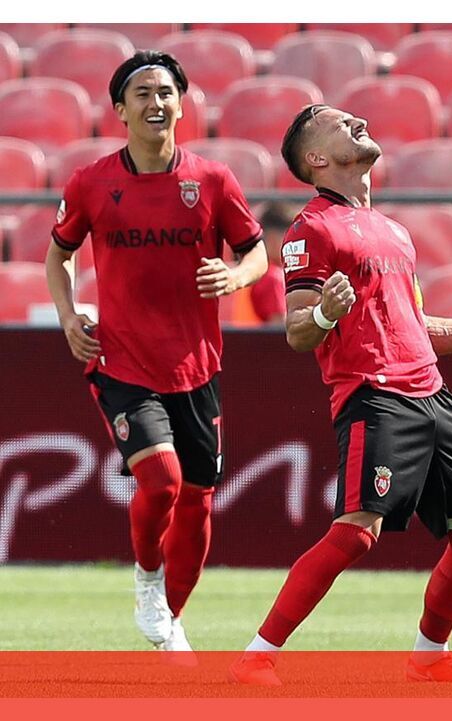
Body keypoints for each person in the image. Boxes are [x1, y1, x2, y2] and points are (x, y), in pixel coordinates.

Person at [228, 104, 452, 686]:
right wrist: (325, 312)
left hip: (432, 393)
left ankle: (430, 656)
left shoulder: (393, 231)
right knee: (357, 531)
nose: (357, 122)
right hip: (376, 395)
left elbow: (415, 328)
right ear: (316, 158)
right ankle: (258, 656)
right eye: (336, 122)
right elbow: (297, 330)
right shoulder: (312, 229)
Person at [44, 51, 268, 653]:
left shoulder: (213, 180)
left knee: (197, 503)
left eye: (166, 92)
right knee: (163, 481)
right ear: (120, 110)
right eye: (141, 93)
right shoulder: (91, 183)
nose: (156, 102)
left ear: (182, 105)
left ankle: (172, 620)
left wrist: (235, 277)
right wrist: (68, 316)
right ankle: (147, 581)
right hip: (121, 359)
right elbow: (58, 256)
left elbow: (256, 252)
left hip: (196, 365)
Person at [247, 202, 295, 324]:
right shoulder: (273, 277)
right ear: (272, 239)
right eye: (290, 238)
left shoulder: (261, 272)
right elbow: (279, 328)